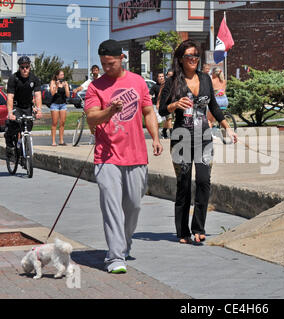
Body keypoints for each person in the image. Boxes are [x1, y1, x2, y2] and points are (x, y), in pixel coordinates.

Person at [84, 39, 163, 274]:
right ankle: (115, 256)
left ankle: (125, 244)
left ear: (121, 58)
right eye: (103, 64)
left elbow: (148, 112)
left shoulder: (138, 82)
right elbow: (91, 119)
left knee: (134, 205)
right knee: (111, 206)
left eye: (110, 63)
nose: (106, 67)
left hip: (136, 155)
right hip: (106, 156)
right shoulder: (95, 87)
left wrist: (156, 138)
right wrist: (110, 110)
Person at [159, 40, 238, 244]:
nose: (193, 59)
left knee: (203, 181)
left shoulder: (205, 79)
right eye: (189, 56)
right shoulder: (173, 81)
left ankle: (199, 227)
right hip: (181, 137)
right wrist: (174, 104)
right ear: (180, 59)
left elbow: (213, 105)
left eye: (196, 56)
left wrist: (226, 127)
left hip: (203, 136)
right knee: (184, 183)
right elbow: (161, 109)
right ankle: (183, 231)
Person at [5, 56, 43, 150]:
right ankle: (9, 141)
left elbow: (38, 95)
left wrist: (39, 110)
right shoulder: (14, 78)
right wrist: (10, 113)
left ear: (30, 67)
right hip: (16, 105)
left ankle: (22, 148)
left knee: (27, 127)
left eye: (27, 67)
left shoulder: (34, 78)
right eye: (22, 67)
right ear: (19, 68)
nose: (25, 69)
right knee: (14, 126)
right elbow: (10, 97)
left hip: (28, 106)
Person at [49, 70, 70, 146]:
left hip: (63, 104)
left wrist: (66, 87)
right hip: (55, 105)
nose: (62, 76)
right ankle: (53, 141)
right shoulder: (53, 82)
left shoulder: (65, 83)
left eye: (63, 75)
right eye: (61, 75)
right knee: (54, 123)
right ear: (57, 76)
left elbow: (67, 95)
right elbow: (52, 93)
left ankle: (61, 140)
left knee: (62, 123)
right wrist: (57, 86)